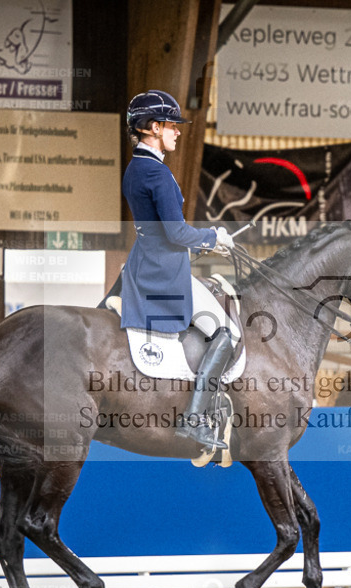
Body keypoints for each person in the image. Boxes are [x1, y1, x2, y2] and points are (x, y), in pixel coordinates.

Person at [103, 89, 236, 450]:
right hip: (164, 272)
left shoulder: (137, 168)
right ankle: (195, 418)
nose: (178, 132)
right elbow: (176, 232)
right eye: (171, 126)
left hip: (144, 263)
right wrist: (214, 237)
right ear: (151, 128)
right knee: (225, 331)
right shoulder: (157, 174)